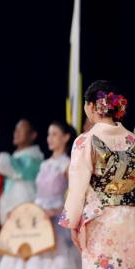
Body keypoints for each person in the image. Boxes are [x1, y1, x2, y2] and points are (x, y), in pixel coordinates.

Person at [59, 80, 135, 268]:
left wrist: (72, 223)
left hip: (101, 222)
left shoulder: (86, 141)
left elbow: (77, 190)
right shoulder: (132, 140)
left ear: (91, 106)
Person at [0, 120, 80, 269]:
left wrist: (55, 211)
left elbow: (75, 197)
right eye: (49, 134)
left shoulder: (68, 164)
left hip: (55, 218)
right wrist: (20, 213)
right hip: (37, 216)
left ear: (66, 137)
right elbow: (36, 195)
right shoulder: (44, 164)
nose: (50, 138)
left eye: (54, 134)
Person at [0, 119, 44, 224]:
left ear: (33, 135)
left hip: (26, 209)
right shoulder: (16, 156)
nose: (16, 133)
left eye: (20, 130)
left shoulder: (34, 158)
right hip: (8, 211)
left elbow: (12, 167)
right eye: (16, 130)